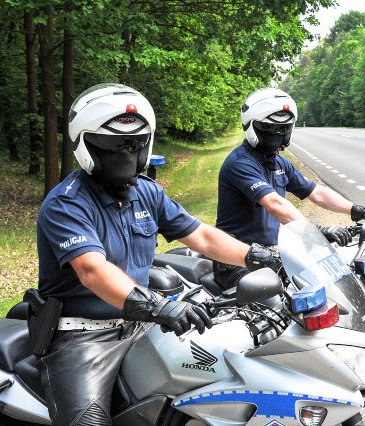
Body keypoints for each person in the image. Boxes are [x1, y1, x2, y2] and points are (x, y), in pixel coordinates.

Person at [35, 83, 276, 426]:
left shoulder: (145, 192)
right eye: (116, 145)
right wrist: (158, 305)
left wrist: (257, 256)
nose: (127, 154)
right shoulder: (67, 203)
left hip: (143, 324)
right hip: (83, 337)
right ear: (87, 146)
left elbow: (203, 237)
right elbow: (92, 270)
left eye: (135, 145)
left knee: (219, 380)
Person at [214, 88, 365, 289]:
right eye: (271, 128)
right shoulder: (240, 163)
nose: (278, 134)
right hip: (238, 260)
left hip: (270, 254)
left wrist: (357, 210)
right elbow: (274, 203)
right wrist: (316, 231)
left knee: (327, 285)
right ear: (253, 127)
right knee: (279, 308)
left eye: (284, 129)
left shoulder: (279, 163)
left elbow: (316, 192)